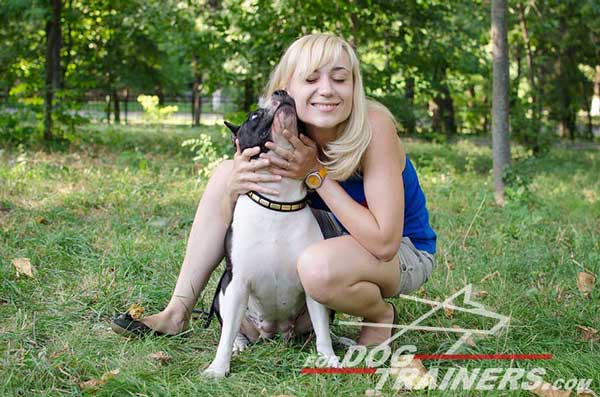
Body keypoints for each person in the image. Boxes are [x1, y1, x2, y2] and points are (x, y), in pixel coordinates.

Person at [112, 33, 436, 347]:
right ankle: (177, 312)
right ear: (287, 88)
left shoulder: (373, 126)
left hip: (400, 251)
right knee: (227, 173)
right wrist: (233, 191)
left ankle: (379, 315)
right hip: (333, 235)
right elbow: (240, 225)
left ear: (354, 86)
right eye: (311, 80)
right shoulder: (288, 126)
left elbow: (384, 243)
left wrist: (315, 174)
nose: (326, 91)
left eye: (340, 79)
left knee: (317, 266)